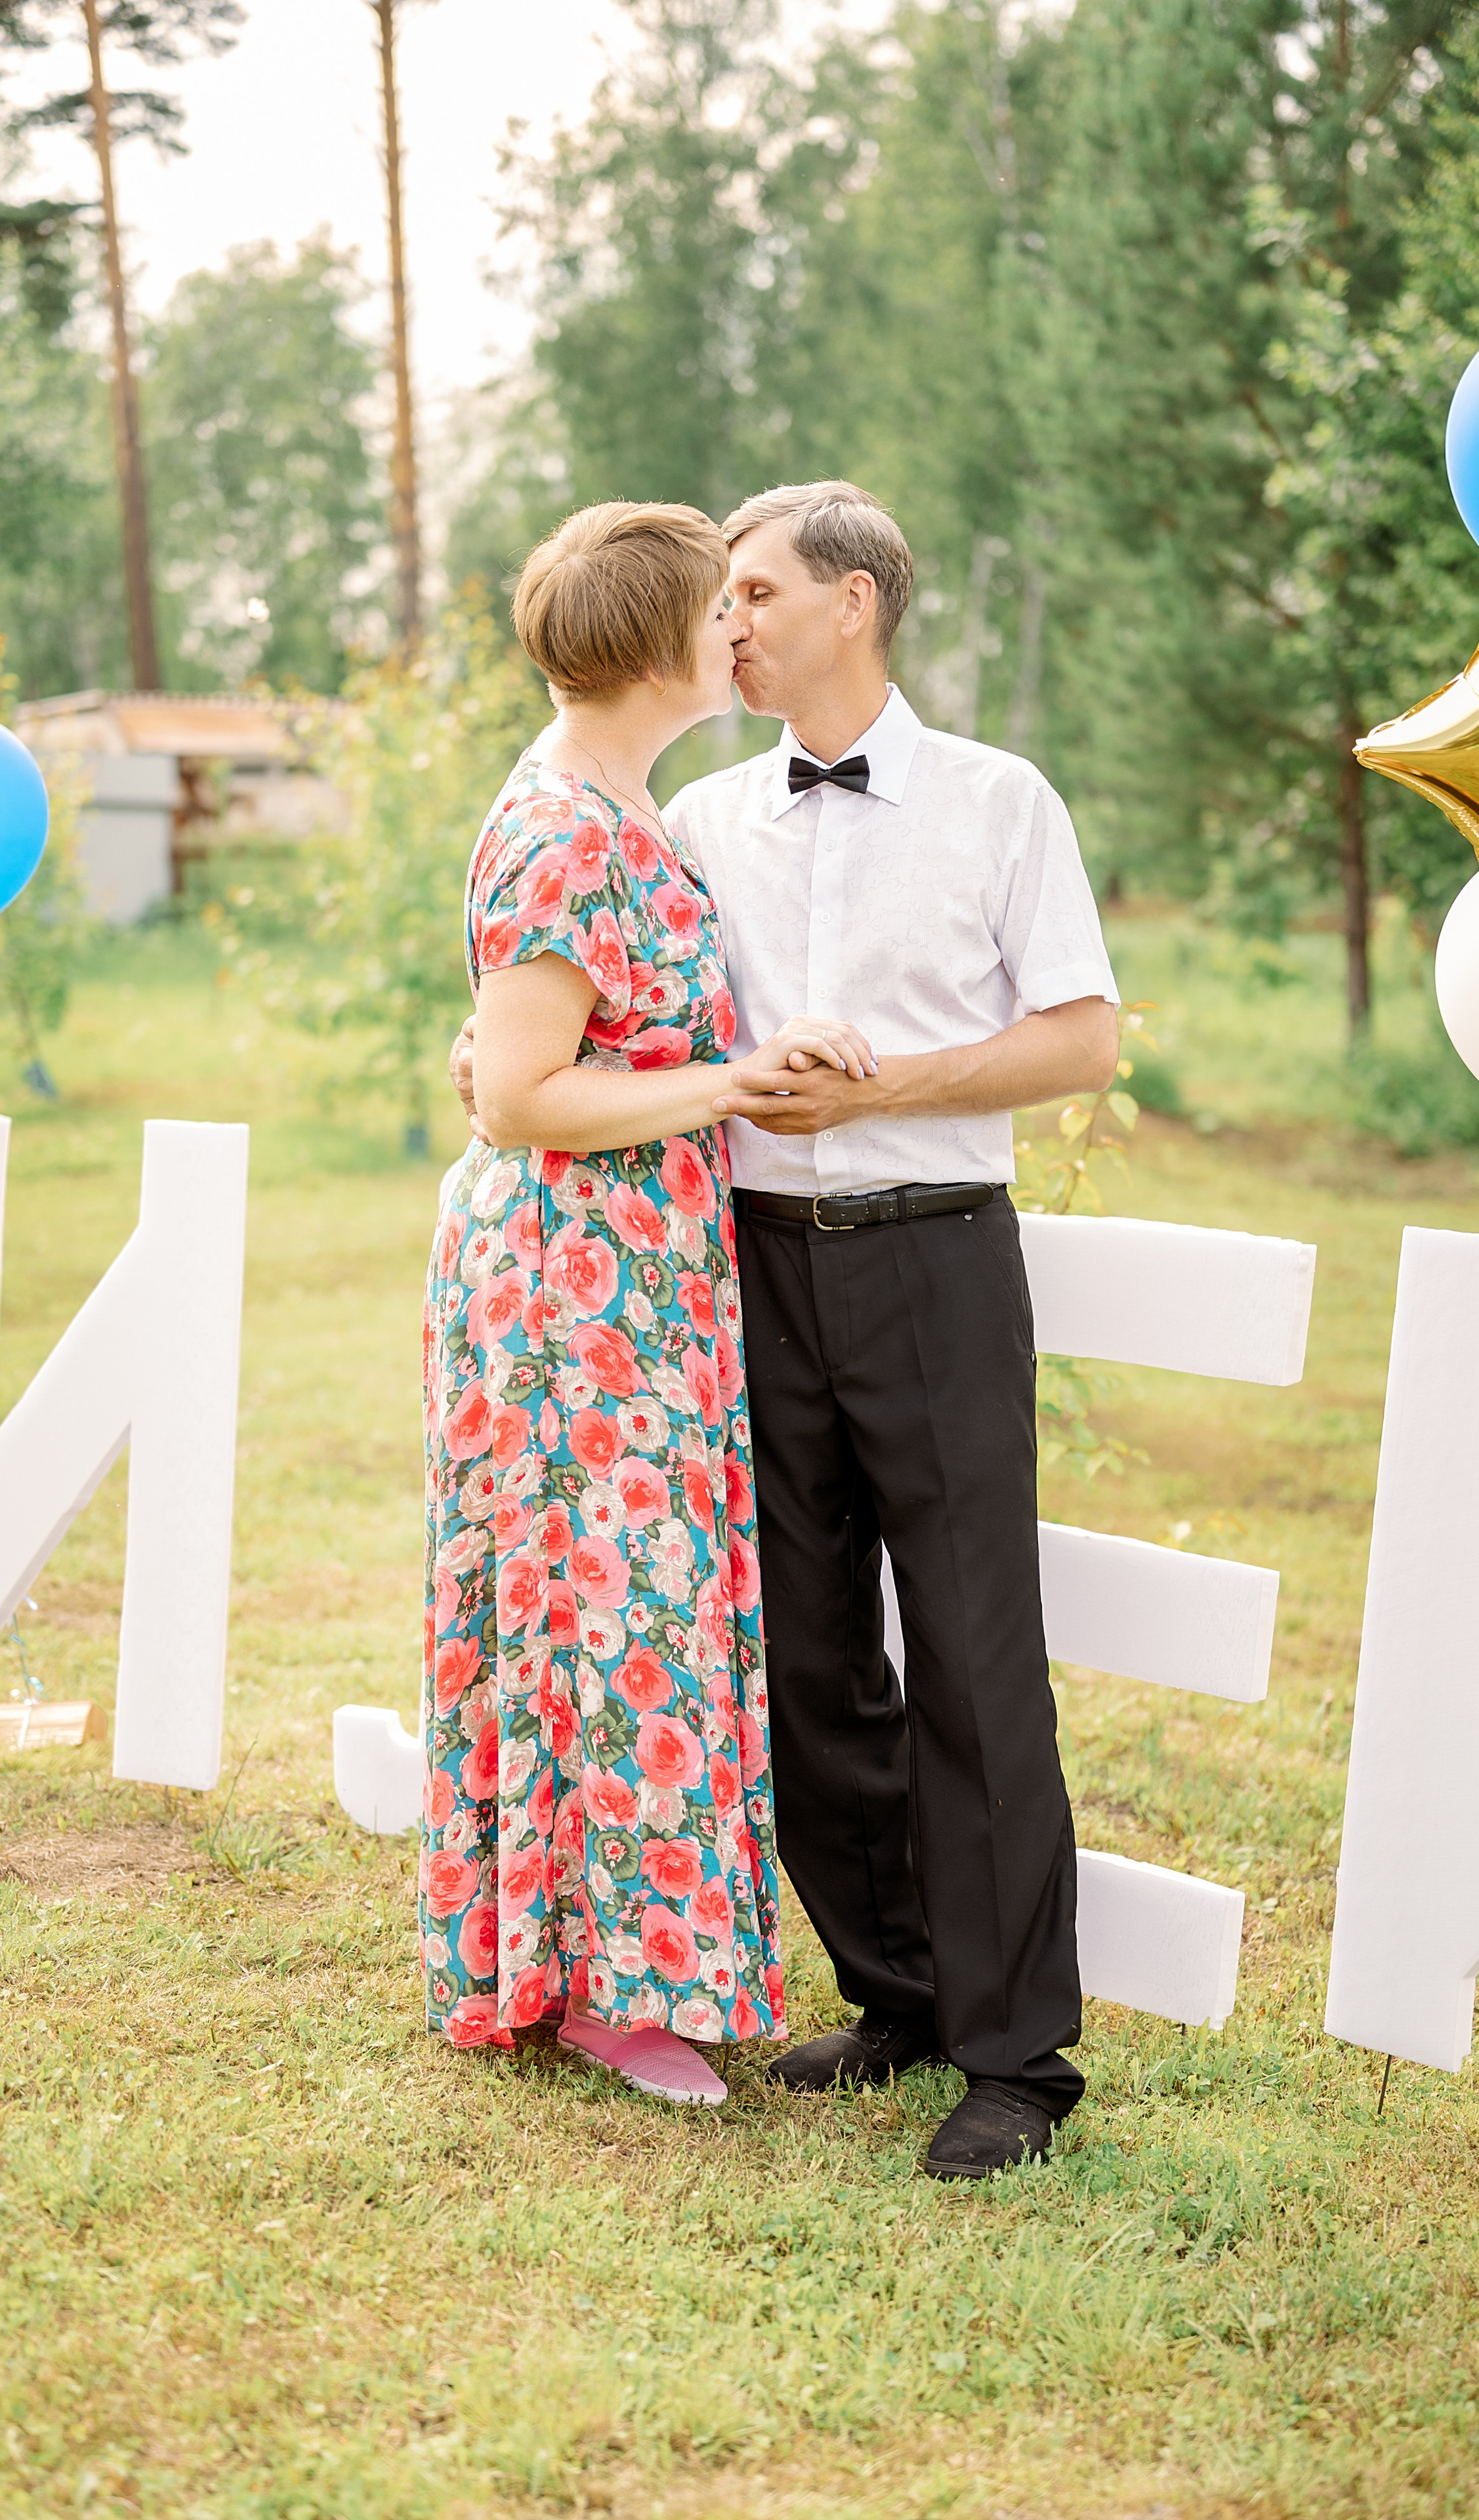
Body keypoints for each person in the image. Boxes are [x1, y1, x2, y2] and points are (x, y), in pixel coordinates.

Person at [453, 480, 1119, 2178]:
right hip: (740, 1265)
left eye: (758, 590)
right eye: (718, 595)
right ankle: (891, 1993)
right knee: (806, 1649)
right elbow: (578, 1016)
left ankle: (1013, 2058)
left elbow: (1082, 1044)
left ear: (858, 600)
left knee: (973, 1652)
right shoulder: (699, 820)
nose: (728, 619)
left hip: (935, 1257)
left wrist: (891, 1088)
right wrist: (486, 1074)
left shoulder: (998, 801)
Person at [421, 499, 877, 2107]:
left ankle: (610, 1961)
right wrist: (726, 1083)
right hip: (568, 1288)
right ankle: (599, 1988)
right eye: (716, 613)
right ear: (648, 646)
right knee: (597, 1606)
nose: (736, 634)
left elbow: (531, 1046)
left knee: (640, 1603)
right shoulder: (566, 827)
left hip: (635, 1271)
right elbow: (523, 1101)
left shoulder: (628, 805)